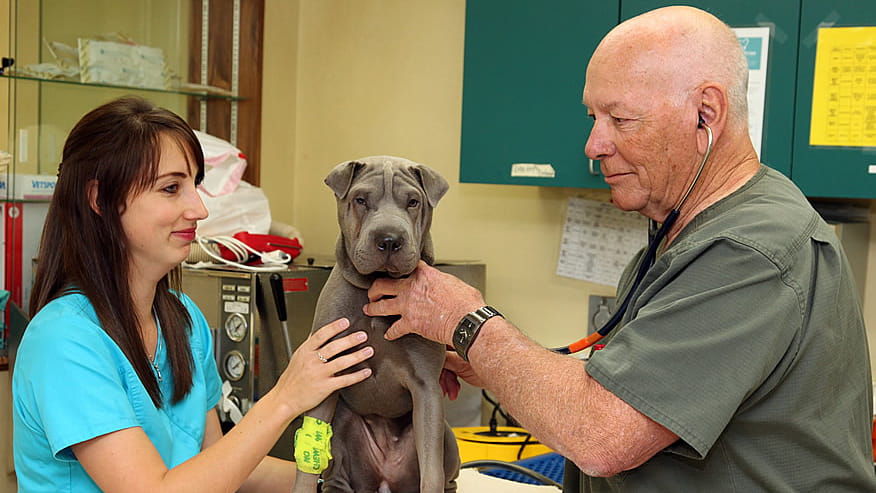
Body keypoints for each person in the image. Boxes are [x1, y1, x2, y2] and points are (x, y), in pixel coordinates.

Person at [364, 6, 876, 491]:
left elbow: (602, 434)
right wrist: (495, 363)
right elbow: (625, 387)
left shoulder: (749, 252)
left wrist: (467, 321)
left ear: (706, 113)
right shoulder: (676, 236)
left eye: (621, 119)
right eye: (592, 117)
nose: (594, 145)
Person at [12, 96, 374, 493]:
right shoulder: (64, 340)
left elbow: (221, 467)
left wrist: (346, 483)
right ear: (99, 199)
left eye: (195, 185)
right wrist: (286, 397)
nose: (199, 209)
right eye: (171, 188)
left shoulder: (181, 318)